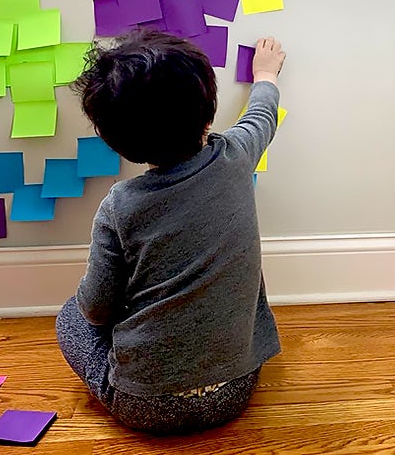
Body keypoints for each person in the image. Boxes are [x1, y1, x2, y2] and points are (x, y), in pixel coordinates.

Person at [55, 30, 287, 434]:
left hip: (144, 407)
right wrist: (265, 74)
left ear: (119, 143)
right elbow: (262, 117)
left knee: (69, 318)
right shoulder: (236, 157)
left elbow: (95, 310)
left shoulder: (120, 205)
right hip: (236, 388)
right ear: (209, 113)